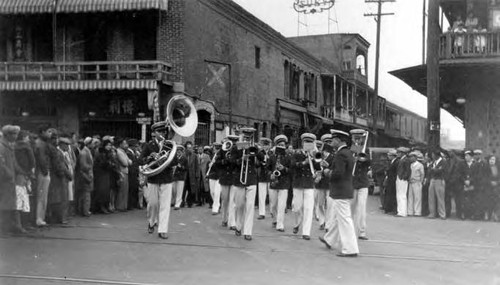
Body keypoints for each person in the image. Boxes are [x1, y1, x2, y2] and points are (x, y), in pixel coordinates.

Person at [319, 129, 359, 257]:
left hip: (340, 189)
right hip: (344, 189)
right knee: (338, 217)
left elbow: (338, 174)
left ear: (340, 140)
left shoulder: (341, 154)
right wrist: (329, 167)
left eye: (334, 140)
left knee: (344, 219)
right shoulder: (347, 153)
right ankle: (329, 239)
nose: (332, 142)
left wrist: (326, 172)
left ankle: (350, 248)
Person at [139, 122, 178, 239]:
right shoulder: (148, 145)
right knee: (153, 204)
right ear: (154, 133)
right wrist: (151, 157)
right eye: (159, 132)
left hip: (166, 178)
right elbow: (140, 160)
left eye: (163, 132)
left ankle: (162, 230)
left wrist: (165, 159)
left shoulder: (170, 145)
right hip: (153, 178)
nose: (162, 134)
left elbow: (175, 161)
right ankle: (151, 222)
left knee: (165, 205)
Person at [231, 128, 259, 241]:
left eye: (250, 136)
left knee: (250, 207)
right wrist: (240, 159)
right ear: (242, 135)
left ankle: (248, 231)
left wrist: (257, 153)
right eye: (246, 135)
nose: (247, 137)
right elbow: (231, 162)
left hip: (251, 181)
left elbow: (262, 162)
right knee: (239, 206)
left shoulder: (255, 147)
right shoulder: (236, 147)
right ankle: (238, 226)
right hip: (239, 180)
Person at [0, 125, 26, 233]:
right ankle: (3, 228)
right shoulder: (1, 146)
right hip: (4, 180)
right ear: (7, 135)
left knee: (10, 203)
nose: (16, 136)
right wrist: (9, 174)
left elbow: (14, 162)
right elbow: (1, 164)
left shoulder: (10, 146)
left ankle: (10, 226)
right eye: (13, 134)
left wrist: (22, 172)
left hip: (10, 180)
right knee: (5, 203)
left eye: (16, 134)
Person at [291, 133, 316, 240]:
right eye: (306, 142)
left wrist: (314, 158)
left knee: (308, 208)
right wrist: (303, 162)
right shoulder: (296, 154)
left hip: (309, 184)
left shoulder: (315, 155)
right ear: (302, 143)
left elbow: (319, 167)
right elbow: (292, 166)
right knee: (297, 207)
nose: (308, 144)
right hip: (298, 183)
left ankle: (306, 232)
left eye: (310, 143)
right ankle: (297, 223)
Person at [48, 136, 73, 224]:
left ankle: (62, 217)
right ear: (62, 145)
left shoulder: (63, 153)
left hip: (61, 177)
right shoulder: (59, 153)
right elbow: (61, 166)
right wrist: (69, 174)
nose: (68, 147)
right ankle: (62, 217)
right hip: (61, 178)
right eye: (66, 145)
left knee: (62, 197)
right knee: (63, 198)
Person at [269, 135, 291, 231]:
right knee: (273, 204)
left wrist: (284, 168)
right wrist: (270, 174)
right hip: (274, 183)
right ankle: (275, 219)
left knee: (281, 205)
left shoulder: (288, 157)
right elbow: (267, 169)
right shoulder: (272, 157)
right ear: (276, 145)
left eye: (283, 145)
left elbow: (292, 170)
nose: (281, 146)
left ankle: (280, 224)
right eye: (279, 145)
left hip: (284, 183)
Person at [34, 125, 55, 227]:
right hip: (42, 172)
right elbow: (42, 159)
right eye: (49, 131)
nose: (50, 134)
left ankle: (40, 217)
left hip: (42, 171)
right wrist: (45, 170)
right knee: (42, 196)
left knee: (42, 196)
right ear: (42, 132)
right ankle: (39, 218)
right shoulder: (40, 144)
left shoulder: (42, 143)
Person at [219, 135, 240, 230]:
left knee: (233, 201)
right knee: (225, 201)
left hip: (233, 178)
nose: (233, 144)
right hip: (224, 178)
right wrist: (224, 161)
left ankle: (232, 223)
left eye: (235, 142)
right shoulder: (222, 150)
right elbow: (217, 163)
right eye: (232, 141)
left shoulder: (237, 151)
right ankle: (224, 219)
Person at [315, 134, 334, 231]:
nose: (328, 144)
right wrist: (317, 173)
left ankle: (328, 224)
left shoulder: (334, 156)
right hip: (321, 183)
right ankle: (322, 221)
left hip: (330, 183)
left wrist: (327, 166)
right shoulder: (319, 155)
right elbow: (315, 166)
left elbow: (335, 169)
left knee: (330, 204)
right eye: (326, 143)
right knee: (320, 203)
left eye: (330, 142)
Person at [93, 139, 116, 214]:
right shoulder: (101, 153)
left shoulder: (108, 153)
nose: (110, 147)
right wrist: (109, 164)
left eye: (110, 145)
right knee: (102, 191)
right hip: (101, 173)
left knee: (107, 191)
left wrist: (111, 164)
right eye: (108, 145)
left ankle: (106, 206)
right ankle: (100, 207)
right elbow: (102, 163)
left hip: (107, 173)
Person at [351, 151, 371, 240]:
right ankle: (350, 229)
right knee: (351, 208)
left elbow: (368, 161)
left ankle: (362, 231)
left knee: (361, 208)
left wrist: (362, 156)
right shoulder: (352, 157)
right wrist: (353, 159)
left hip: (363, 185)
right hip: (353, 184)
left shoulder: (365, 159)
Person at [428, 150, 447, 219]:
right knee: (431, 197)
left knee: (440, 197)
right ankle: (432, 213)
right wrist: (434, 169)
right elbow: (430, 169)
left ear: (437, 155)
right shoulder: (433, 162)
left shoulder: (443, 162)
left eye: (433, 154)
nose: (432, 156)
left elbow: (441, 170)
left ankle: (442, 214)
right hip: (433, 179)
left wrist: (434, 169)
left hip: (439, 179)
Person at [256, 137, 272, 220]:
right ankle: (261, 213)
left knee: (272, 195)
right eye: (264, 145)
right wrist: (261, 162)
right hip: (262, 176)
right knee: (262, 196)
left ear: (269, 146)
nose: (266, 147)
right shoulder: (259, 153)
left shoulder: (272, 153)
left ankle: (273, 211)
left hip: (270, 176)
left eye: (267, 145)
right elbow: (257, 164)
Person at [115, 137, 132, 212]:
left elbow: (130, 162)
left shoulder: (123, 152)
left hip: (125, 171)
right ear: (120, 144)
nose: (126, 145)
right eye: (124, 143)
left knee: (125, 190)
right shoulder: (119, 152)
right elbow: (125, 163)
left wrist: (128, 161)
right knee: (122, 190)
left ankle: (124, 206)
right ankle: (120, 206)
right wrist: (128, 161)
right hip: (122, 172)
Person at [183, 141, 200, 207]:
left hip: (192, 175)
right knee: (183, 189)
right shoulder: (183, 155)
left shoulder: (194, 155)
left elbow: (197, 166)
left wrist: (197, 175)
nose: (189, 149)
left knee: (191, 189)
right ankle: (182, 202)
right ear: (186, 148)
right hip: (184, 174)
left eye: (190, 148)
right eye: (188, 148)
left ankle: (189, 202)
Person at [408, 152, 425, 216]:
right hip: (411, 182)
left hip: (417, 182)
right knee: (410, 197)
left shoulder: (420, 165)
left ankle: (417, 212)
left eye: (412, 157)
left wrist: (421, 182)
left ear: (415, 157)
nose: (410, 158)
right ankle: (410, 211)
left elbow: (422, 174)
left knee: (417, 198)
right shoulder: (410, 165)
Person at [207, 142, 222, 214]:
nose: (215, 150)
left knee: (217, 193)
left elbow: (221, 164)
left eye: (216, 149)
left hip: (219, 175)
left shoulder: (221, 155)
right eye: (215, 148)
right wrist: (209, 164)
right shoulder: (212, 155)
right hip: (212, 175)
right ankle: (217, 205)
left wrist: (215, 163)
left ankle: (215, 208)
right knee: (212, 192)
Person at [395, 147, 411, 217]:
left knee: (402, 195)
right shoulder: (402, 159)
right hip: (399, 177)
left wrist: (404, 177)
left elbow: (408, 170)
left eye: (399, 152)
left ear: (402, 153)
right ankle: (400, 211)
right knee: (399, 195)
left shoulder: (406, 160)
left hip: (402, 179)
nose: (397, 154)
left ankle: (403, 212)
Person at [383, 149, 399, 214]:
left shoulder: (396, 162)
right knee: (388, 193)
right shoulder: (391, 162)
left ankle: (393, 209)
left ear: (393, 156)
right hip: (389, 179)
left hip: (393, 180)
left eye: (389, 155)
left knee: (392, 194)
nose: (388, 156)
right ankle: (388, 208)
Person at [172, 145, 187, 210]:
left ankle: (177, 204)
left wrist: (180, 166)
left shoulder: (184, 158)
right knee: (174, 190)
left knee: (179, 191)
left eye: (180, 151)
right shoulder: (174, 158)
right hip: (174, 176)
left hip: (180, 177)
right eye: (177, 151)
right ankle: (174, 201)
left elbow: (186, 168)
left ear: (182, 152)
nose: (178, 152)